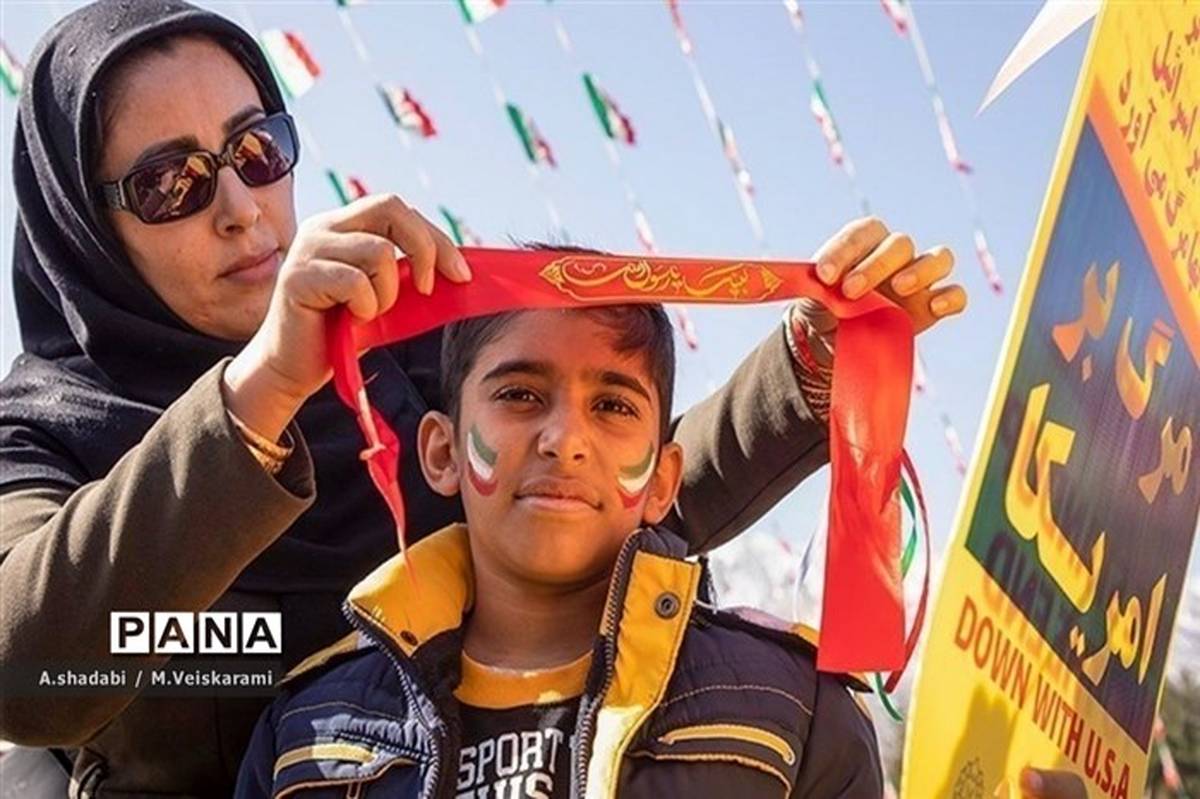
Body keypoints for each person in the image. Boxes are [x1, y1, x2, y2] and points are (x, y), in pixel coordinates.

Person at [0, 1, 968, 795]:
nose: (241, 207)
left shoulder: (399, 359)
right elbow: (28, 672)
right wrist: (265, 389)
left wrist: (807, 366)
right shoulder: (44, 436)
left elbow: (590, 497)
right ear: (83, 224)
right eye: (170, 182)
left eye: (258, 149)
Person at [236, 301, 884, 798]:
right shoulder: (305, 734)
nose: (565, 439)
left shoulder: (795, 710)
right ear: (442, 451)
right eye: (520, 395)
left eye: (612, 405)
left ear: (662, 480)